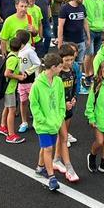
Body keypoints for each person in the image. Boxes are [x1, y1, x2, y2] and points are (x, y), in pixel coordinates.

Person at [29, 52, 65, 191]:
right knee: (49, 148)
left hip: (55, 122)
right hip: (43, 124)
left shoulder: (58, 81)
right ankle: (51, 178)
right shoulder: (37, 84)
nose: (62, 69)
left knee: (45, 148)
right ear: (53, 67)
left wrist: (60, 115)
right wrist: (41, 119)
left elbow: (61, 100)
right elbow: (34, 105)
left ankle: (40, 168)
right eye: (60, 66)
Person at [52, 44, 81, 182]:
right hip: (59, 109)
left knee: (62, 136)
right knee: (63, 137)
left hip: (69, 108)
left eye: (71, 60)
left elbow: (74, 86)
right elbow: (53, 94)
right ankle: (68, 168)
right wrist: (63, 104)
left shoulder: (73, 71)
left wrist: (74, 98)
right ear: (60, 59)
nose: (69, 63)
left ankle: (56, 159)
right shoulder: (57, 75)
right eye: (66, 60)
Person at [0, 32, 30, 144]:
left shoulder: (11, 55)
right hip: (9, 88)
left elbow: (12, 69)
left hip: (9, 87)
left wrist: (19, 73)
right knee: (12, 110)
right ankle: (11, 135)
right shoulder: (14, 59)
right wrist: (19, 77)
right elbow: (7, 73)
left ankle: (2, 126)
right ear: (21, 47)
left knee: (7, 107)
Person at [57, 0, 92, 84]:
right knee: (67, 63)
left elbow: (85, 22)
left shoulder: (82, 7)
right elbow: (60, 26)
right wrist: (60, 42)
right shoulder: (65, 8)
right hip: (68, 41)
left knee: (79, 63)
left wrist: (88, 37)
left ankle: (78, 83)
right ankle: (65, 82)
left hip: (80, 40)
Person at [82, 0, 104, 84]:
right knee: (89, 54)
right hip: (90, 30)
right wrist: (88, 28)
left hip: (100, 29)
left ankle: (94, 73)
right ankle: (87, 75)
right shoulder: (85, 0)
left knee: (97, 54)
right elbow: (84, 16)